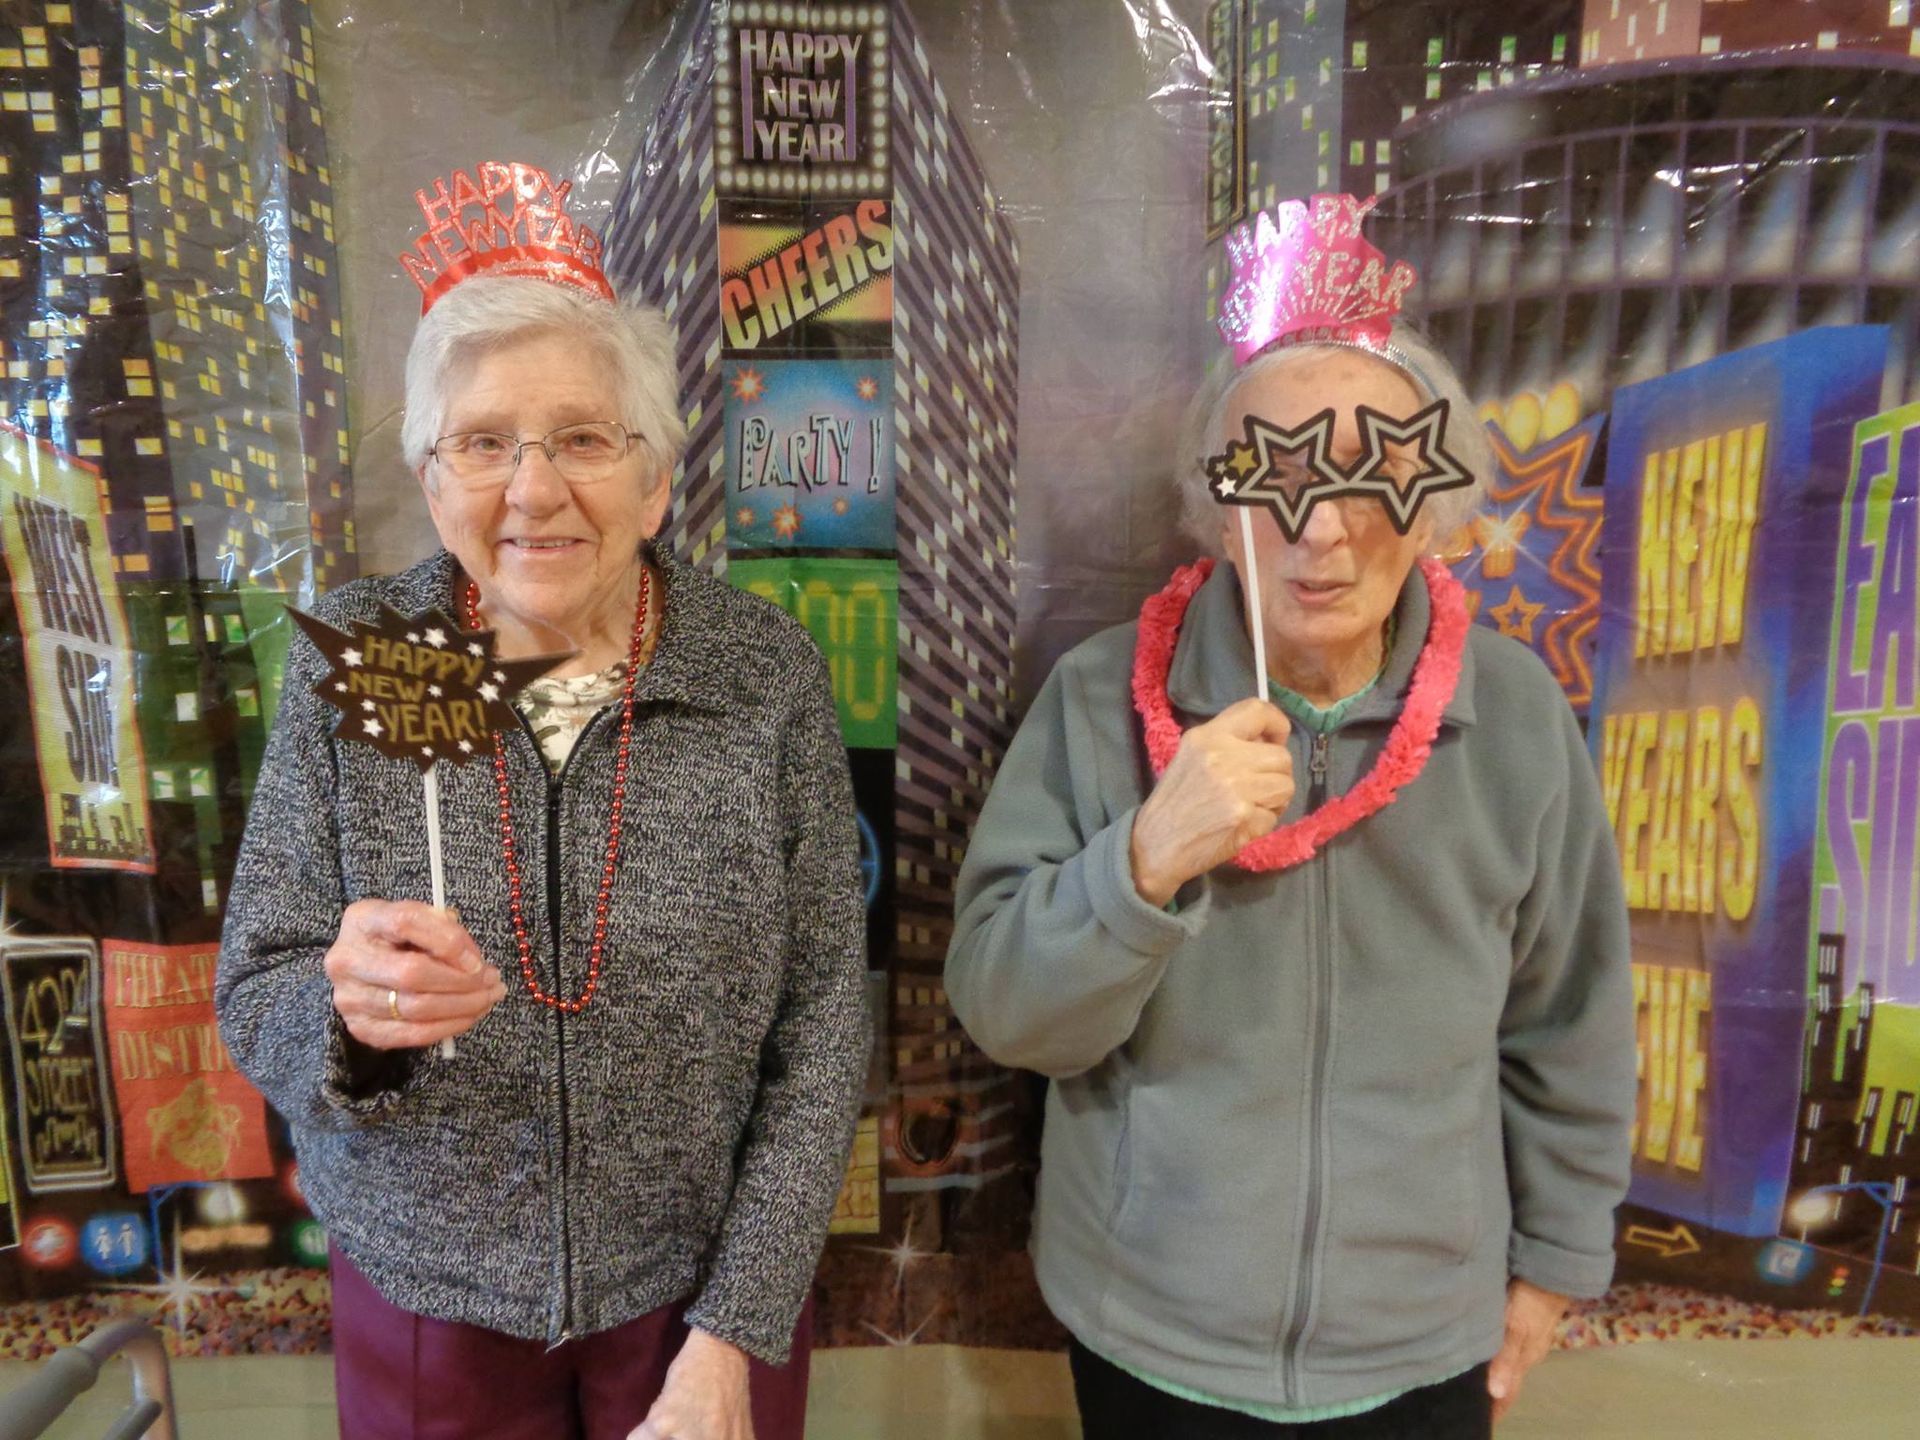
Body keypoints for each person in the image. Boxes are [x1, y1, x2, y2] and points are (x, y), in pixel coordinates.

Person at [947, 195, 1634, 1439]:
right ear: (1217, 506)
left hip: (1426, 1347)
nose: (1321, 530)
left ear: (1435, 503)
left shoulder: (1517, 717)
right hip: (1151, 1337)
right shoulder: (1100, 699)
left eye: (1374, 475)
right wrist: (1145, 862)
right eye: (1279, 476)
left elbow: (1570, 1019)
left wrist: (1556, 1263)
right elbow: (1005, 1012)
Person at [216, 167, 869, 1440]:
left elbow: (826, 1026)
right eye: (483, 443)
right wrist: (346, 1018)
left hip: (694, 1295)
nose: (532, 489)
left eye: (581, 438)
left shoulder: (762, 673)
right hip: (427, 1304)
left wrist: (737, 1325)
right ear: (432, 479)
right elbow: (257, 988)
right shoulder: (358, 656)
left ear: (655, 478)